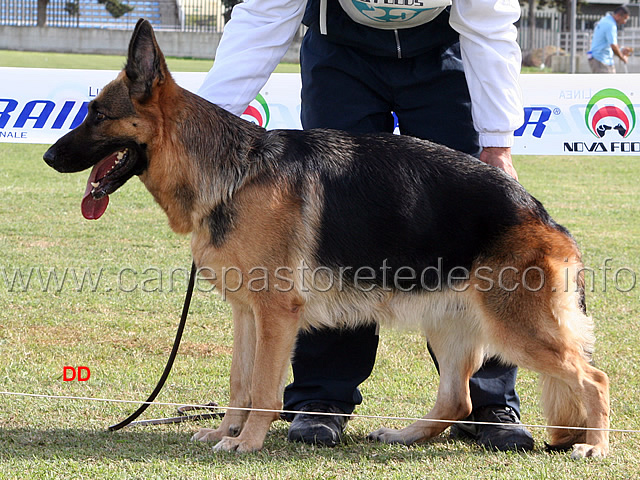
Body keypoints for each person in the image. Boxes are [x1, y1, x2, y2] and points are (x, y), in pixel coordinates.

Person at [197, 0, 533, 452]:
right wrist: (210, 121)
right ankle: (321, 399)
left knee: (471, 218)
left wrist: (497, 141)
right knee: (331, 228)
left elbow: (490, 23)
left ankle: (490, 401)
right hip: (341, 51)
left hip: (444, 49)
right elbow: (262, 15)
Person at [588, 5, 631, 73]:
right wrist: (623, 58)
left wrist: (621, 49)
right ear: (618, 15)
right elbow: (613, 46)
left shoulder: (605, 19)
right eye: (624, 18)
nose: (624, 22)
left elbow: (608, 43)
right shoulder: (611, 25)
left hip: (601, 58)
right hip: (601, 59)